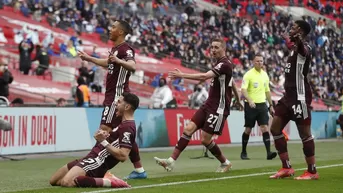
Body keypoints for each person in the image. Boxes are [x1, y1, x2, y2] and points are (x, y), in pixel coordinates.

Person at [154, 38, 243, 172]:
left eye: (216, 47)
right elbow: (233, 84)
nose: (213, 50)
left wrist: (182, 75)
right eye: (212, 47)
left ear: (223, 49)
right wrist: (238, 99)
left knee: (205, 140)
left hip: (218, 107)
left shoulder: (225, 64)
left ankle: (225, 162)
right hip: (208, 104)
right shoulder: (220, 64)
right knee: (188, 129)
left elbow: (204, 77)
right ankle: (170, 161)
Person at [77, 20, 146, 179]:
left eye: (113, 27)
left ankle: (92, 167)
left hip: (116, 99)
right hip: (114, 97)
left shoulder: (125, 49)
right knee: (126, 135)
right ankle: (140, 170)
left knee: (103, 132)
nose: (110, 29)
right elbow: (108, 63)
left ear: (120, 32)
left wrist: (119, 61)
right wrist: (89, 58)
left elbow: (132, 66)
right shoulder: (115, 50)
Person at [49, 92, 139, 188]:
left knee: (67, 182)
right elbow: (115, 141)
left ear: (127, 107)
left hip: (98, 161)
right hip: (91, 157)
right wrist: (106, 136)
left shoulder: (128, 127)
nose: (116, 104)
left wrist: (103, 141)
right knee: (54, 180)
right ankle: (100, 178)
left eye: (119, 102)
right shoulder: (123, 124)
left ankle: (109, 181)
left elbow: (123, 156)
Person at [269, 20, 319, 180]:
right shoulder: (292, 49)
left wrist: (298, 41)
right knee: (275, 129)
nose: (290, 29)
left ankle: (312, 171)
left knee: (305, 134)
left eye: (294, 27)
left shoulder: (305, 48)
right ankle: (286, 168)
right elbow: (292, 44)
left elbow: (303, 50)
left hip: (300, 97)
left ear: (301, 31)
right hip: (287, 97)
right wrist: (289, 39)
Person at [240, 54, 277, 160]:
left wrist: (271, 105)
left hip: (262, 105)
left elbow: (267, 91)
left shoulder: (265, 75)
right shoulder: (248, 75)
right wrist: (250, 100)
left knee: (265, 128)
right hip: (250, 105)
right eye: (257, 61)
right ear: (253, 62)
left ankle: (269, 153)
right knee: (248, 129)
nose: (259, 63)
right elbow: (243, 90)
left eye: (261, 61)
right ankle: (243, 152)